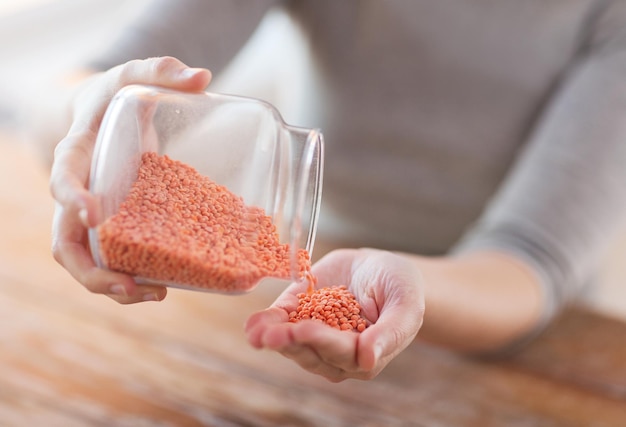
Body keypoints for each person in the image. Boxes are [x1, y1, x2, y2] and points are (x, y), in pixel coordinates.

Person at [30, 0, 626, 382]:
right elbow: (70, 91)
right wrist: (87, 113)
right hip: (300, 272)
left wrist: (409, 284)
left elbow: (529, 260)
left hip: (492, 324)